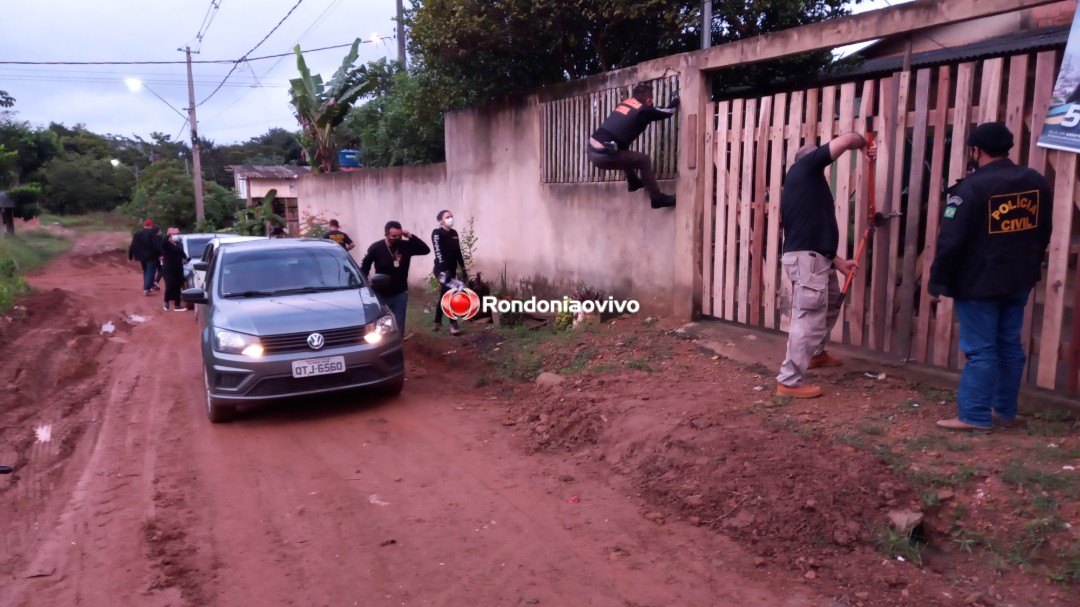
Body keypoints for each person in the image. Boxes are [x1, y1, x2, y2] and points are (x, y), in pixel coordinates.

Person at [928, 122, 1053, 432]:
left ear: (976, 150)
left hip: (978, 283)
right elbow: (1044, 230)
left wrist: (937, 281)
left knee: (981, 351)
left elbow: (950, 241)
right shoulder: (1035, 182)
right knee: (1009, 346)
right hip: (1018, 279)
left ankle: (973, 416)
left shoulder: (970, 189)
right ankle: (1004, 411)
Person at [775, 133, 876, 399]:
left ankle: (816, 353)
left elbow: (811, 231)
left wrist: (838, 261)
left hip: (818, 259)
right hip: (809, 262)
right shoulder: (805, 168)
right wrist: (865, 145)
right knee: (808, 317)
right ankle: (789, 381)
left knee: (830, 303)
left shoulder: (806, 185)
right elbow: (848, 139)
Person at [586, 82, 679, 209]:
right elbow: (669, 111)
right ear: (648, 98)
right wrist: (676, 99)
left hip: (592, 150)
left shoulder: (625, 103)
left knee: (623, 152)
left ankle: (633, 181)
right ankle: (657, 199)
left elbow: (649, 110)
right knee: (643, 160)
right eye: (651, 98)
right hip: (604, 154)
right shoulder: (645, 110)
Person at [360, 221, 430, 331]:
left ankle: (399, 341)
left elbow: (425, 250)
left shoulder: (406, 246)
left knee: (399, 325)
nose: (397, 238)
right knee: (380, 326)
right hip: (380, 294)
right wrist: (364, 284)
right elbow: (365, 267)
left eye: (399, 235)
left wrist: (410, 236)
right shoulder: (376, 247)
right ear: (386, 235)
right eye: (394, 236)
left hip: (400, 293)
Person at [431, 209, 467, 336]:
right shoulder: (437, 233)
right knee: (451, 293)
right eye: (447, 217)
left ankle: (437, 321)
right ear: (440, 221)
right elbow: (438, 252)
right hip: (441, 270)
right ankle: (453, 324)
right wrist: (445, 269)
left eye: (451, 216)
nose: (450, 218)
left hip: (451, 269)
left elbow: (458, 252)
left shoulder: (454, 233)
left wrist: (463, 268)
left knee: (445, 294)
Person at [128, 219, 161, 296]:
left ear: (144, 225)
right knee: (151, 272)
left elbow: (132, 245)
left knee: (145, 271)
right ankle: (147, 288)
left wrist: (130, 256)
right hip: (151, 256)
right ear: (151, 225)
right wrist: (160, 254)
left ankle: (146, 288)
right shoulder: (152, 233)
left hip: (141, 257)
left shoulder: (137, 234)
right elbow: (156, 245)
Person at [160, 227, 189, 312]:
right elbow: (163, 244)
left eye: (176, 234)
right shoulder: (166, 244)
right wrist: (168, 234)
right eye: (174, 234)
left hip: (178, 267)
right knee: (169, 285)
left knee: (177, 286)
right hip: (168, 268)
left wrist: (186, 258)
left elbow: (181, 252)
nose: (176, 236)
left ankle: (177, 305)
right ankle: (166, 301)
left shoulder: (179, 243)